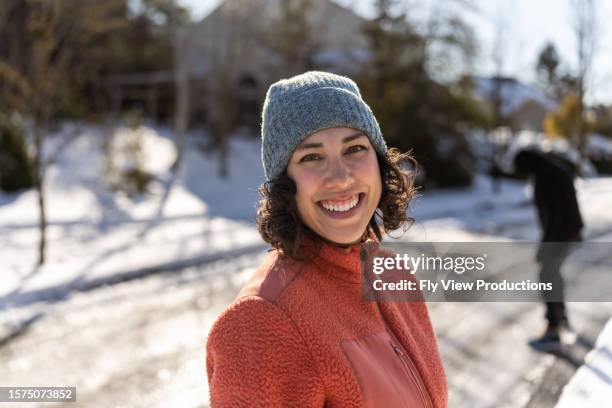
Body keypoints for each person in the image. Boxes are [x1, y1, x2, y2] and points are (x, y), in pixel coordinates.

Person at [205, 71, 447, 407]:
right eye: (312, 157)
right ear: (285, 185)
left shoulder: (393, 273)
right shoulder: (260, 323)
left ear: (379, 165)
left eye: (355, 149)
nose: (340, 177)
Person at [513, 149, 584, 349]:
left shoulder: (546, 176)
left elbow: (556, 215)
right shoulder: (554, 170)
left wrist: (546, 245)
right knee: (552, 274)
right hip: (568, 231)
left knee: (547, 276)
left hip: (560, 234)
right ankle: (560, 318)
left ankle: (553, 328)